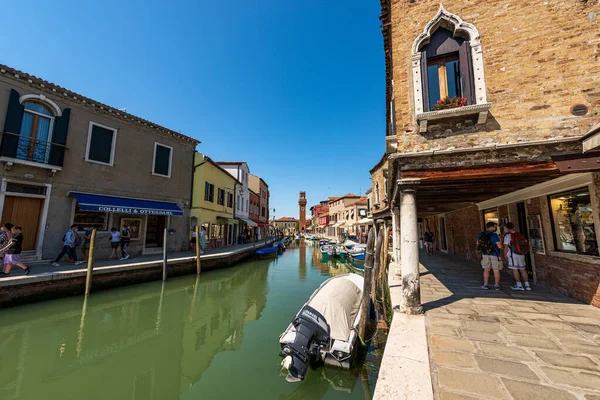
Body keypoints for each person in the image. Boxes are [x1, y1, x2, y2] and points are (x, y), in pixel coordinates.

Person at [503, 222, 532, 291]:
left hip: (513, 255)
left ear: (507, 228)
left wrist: (505, 255)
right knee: (522, 269)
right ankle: (527, 285)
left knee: (515, 269)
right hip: (521, 254)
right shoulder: (519, 234)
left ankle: (519, 285)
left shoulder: (507, 236)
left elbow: (506, 247)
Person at [477, 222, 503, 290]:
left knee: (486, 269)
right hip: (495, 254)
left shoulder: (481, 234)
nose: (495, 228)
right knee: (496, 270)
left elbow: (478, 244)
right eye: (494, 227)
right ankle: (496, 285)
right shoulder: (494, 235)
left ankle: (485, 284)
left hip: (485, 254)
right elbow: (499, 246)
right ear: (491, 227)